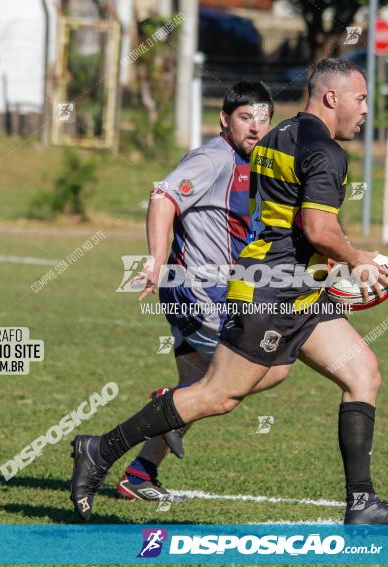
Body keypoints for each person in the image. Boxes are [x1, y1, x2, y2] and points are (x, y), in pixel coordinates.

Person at [71, 58, 388, 525]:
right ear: (331, 97)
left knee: (363, 373)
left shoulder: (277, 137)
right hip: (272, 295)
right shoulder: (328, 154)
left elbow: (287, 221)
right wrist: (356, 258)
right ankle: (100, 448)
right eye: (360, 100)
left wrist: (327, 274)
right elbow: (318, 230)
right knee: (217, 396)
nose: (365, 111)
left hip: (299, 291)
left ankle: (361, 503)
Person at [115, 81, 284, 501]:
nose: (256, 128)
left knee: (198, 387)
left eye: (263, 119)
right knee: (266, 369)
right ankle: (166, 402)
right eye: (246, 117)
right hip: (197, 291)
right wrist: (154, 258)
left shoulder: (250, 164)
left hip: (212, 291)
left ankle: (139, 473)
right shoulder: (214, 157)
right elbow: (163, 196)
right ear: (225, 120)